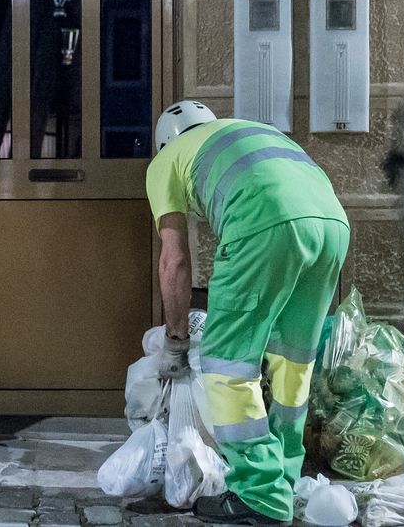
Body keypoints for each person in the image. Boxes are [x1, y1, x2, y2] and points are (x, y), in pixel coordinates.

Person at [146, 100, 350, 526]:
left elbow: (174, 260)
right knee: (293, 360)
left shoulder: (166, 161)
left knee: (227, 365)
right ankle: (284, 479)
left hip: (263, 222)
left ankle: (259, 494)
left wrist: (176, 339)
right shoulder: (248, 132)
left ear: (165, 142)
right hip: (332, 225)